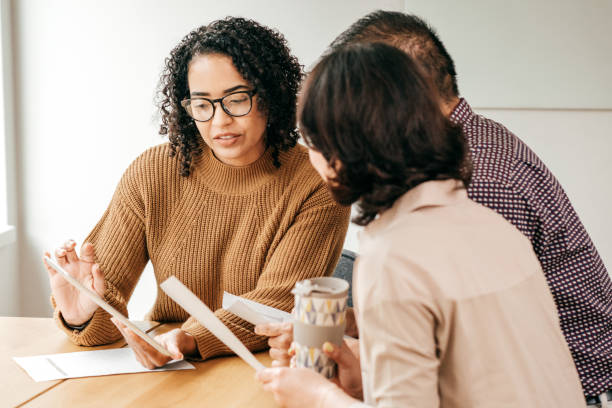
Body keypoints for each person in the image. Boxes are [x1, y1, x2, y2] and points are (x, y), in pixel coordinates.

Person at [260, 10, 612, 404]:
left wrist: (317, 395)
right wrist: (365, 360)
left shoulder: (403, 247)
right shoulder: (477, 215)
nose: (310, 157)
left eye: (313, 142)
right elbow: (474, 353)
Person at [42, 17, 350, 368]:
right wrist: (84, 312)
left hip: (262, 367)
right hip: (167, 364)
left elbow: (276, 303)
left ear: (270, 97)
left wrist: (191, 339)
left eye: (236, 100)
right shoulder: (152, 172)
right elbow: (104, 324)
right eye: (202, 105)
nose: (219, 121)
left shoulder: (316, 180)